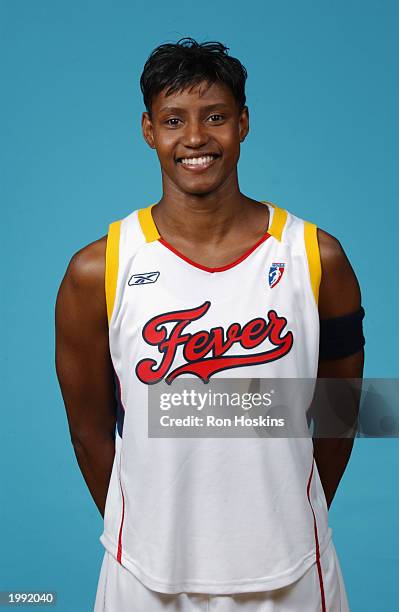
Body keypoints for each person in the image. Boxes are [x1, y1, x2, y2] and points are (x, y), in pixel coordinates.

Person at [55, 38, 365, 611]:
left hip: (293, 569)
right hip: (146, 574)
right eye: (174, 120)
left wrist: (291, 512)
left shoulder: (318, 257)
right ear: (149, 130)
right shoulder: (97, 269)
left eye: (215, 117)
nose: (195, 138)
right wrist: (144, 526)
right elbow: (88, 430)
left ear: (243, 123)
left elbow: (341, 414)